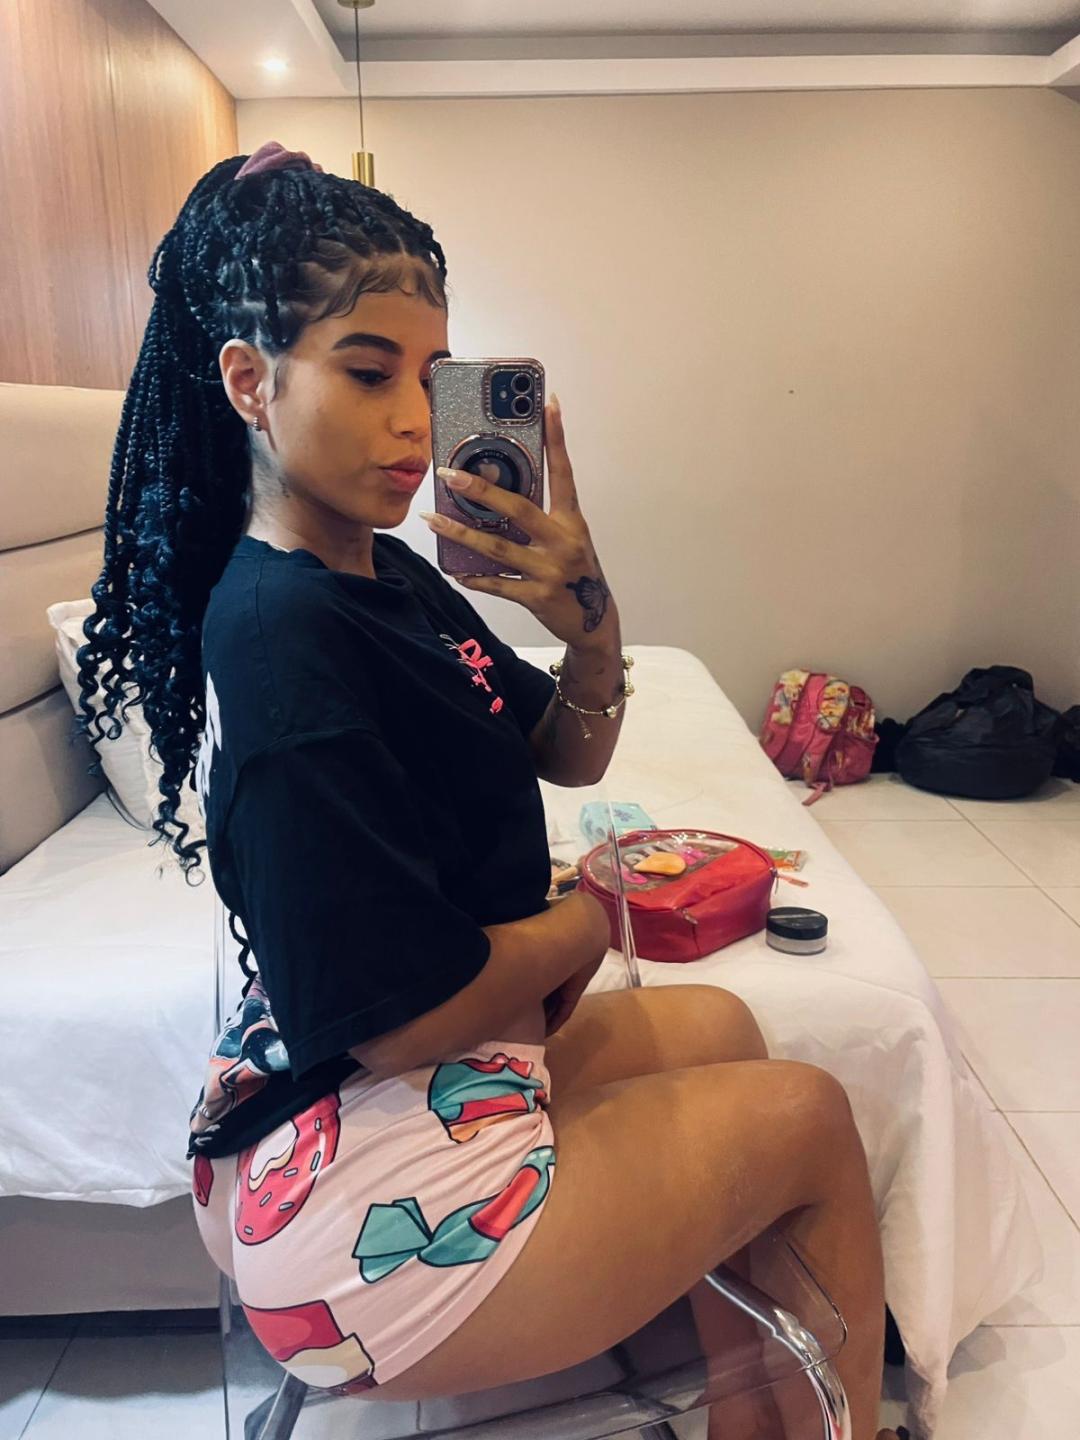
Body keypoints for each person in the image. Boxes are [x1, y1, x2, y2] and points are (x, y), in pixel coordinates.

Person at [76, 141, 902, 1440]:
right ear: (249, 383)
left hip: (388, 1083)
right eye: (369, 373)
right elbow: (403, 1025)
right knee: (808, 1118)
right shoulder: (281, 637)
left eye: (435, 375)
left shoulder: (386, 575)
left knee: (730, 1031)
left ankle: (759, 1419)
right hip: (353, 1203)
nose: (417, 420)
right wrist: (589, 918)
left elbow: (567, 751)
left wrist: (589, 621)